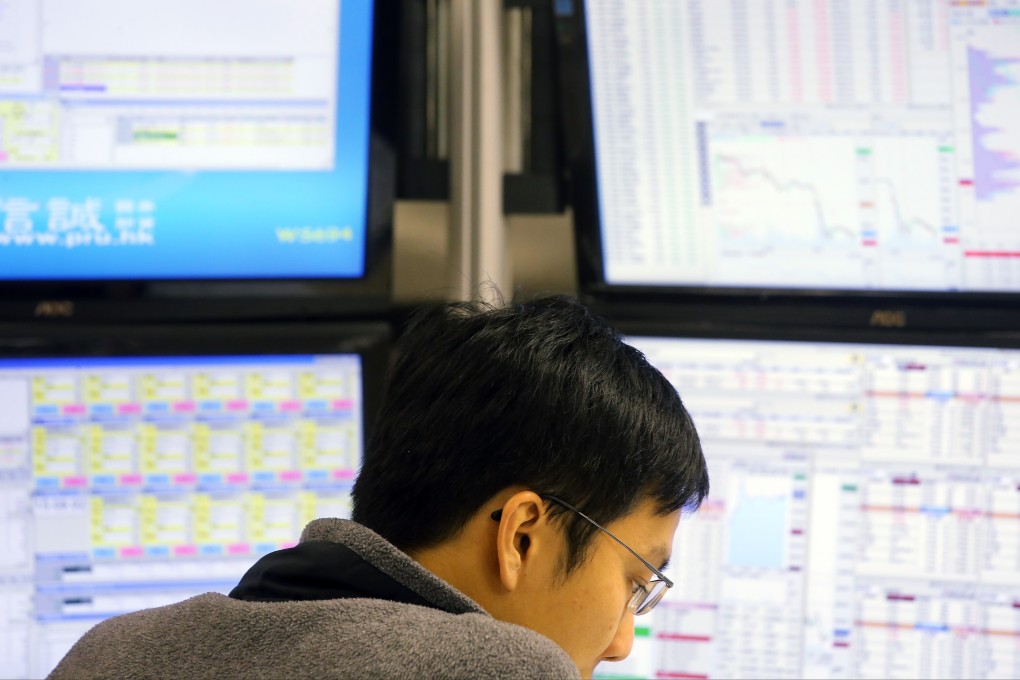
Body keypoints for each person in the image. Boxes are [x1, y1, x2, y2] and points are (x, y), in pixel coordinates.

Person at [49, 295, 709, 680]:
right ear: (522, 532)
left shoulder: (112, 652)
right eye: (633, 581)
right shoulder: (506, 671)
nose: (621, 642)